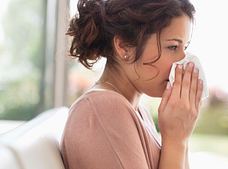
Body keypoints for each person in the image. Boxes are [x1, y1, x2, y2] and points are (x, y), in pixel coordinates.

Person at [60, 0, 203, 169]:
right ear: (124, 47)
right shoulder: (104, 108)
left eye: (184, 47)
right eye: (172, 47)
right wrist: (176, 140)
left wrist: (181, 137)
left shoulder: (138, 110)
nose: (182, 61)